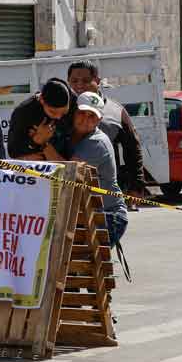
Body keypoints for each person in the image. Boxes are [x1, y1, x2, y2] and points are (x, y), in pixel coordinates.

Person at [66, 60, 147, 202]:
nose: (79, 85)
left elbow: (132, 147)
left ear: (97, 80)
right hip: (68, 188)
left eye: (85, 80)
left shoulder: (115, 110)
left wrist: (136, 186)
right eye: (74, 81)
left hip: (104, 193)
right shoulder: (62, 109)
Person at [67, 92, 129, 248]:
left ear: (99, 120)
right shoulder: (71, 137)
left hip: (108, 215)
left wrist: (45, 145)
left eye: (92, 116)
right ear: (73, 113)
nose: (85, 120)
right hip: (88, 214)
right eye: (82, 113)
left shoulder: (96, 143)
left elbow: (66, 170)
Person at [7, 79, 71, 161]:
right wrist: (35, 141)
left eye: (64, 112)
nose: (58, 117)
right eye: (53, 112)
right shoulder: (24, 113)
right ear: (41, 100)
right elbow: (13, 151)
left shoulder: (73, 102)